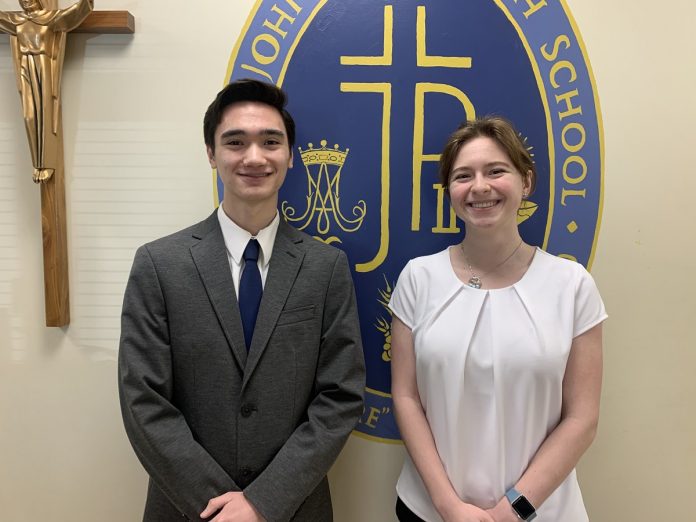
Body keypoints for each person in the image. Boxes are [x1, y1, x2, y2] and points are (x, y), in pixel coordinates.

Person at [118, 79, 365, 522]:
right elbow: (143, 400)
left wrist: (261, 503)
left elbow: (340, 397)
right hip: (186, 508)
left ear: (290, 155)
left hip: (294, 508)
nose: (254, 157)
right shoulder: (159, 264)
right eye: (235, 142)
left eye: (271, 141)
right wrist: (218, 506)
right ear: (212, 154)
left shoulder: (326, 267)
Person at [389, 117, 607, 522]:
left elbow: (582, 418)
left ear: (526, 182)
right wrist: (449, 507)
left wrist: (513, 511)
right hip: (429, 509)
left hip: (539, 513)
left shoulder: (572, 286)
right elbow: (406, 398)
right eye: (463, 176)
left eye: (496, 171)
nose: (480, 187)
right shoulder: (418, 279)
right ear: (450, 191)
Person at [0, 0, 93, 183]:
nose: (25, 1)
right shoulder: (16, 19)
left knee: (45, 112)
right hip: (25, 66)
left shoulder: (51, 18)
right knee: (29, 116)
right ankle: (37, 162)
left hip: (43, 64)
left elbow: (78, 11)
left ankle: (47, 162)